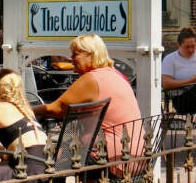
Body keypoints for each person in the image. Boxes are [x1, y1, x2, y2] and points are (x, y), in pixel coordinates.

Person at [35, 33, 143, 172]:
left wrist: (25, 110)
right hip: (136, 154)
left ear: (91, 55)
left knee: (49, 159)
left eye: (76, 54)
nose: (71, 58)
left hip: (113, 158)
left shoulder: (91, 79)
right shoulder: (114, 74)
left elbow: (55, 109)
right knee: (70, 148)